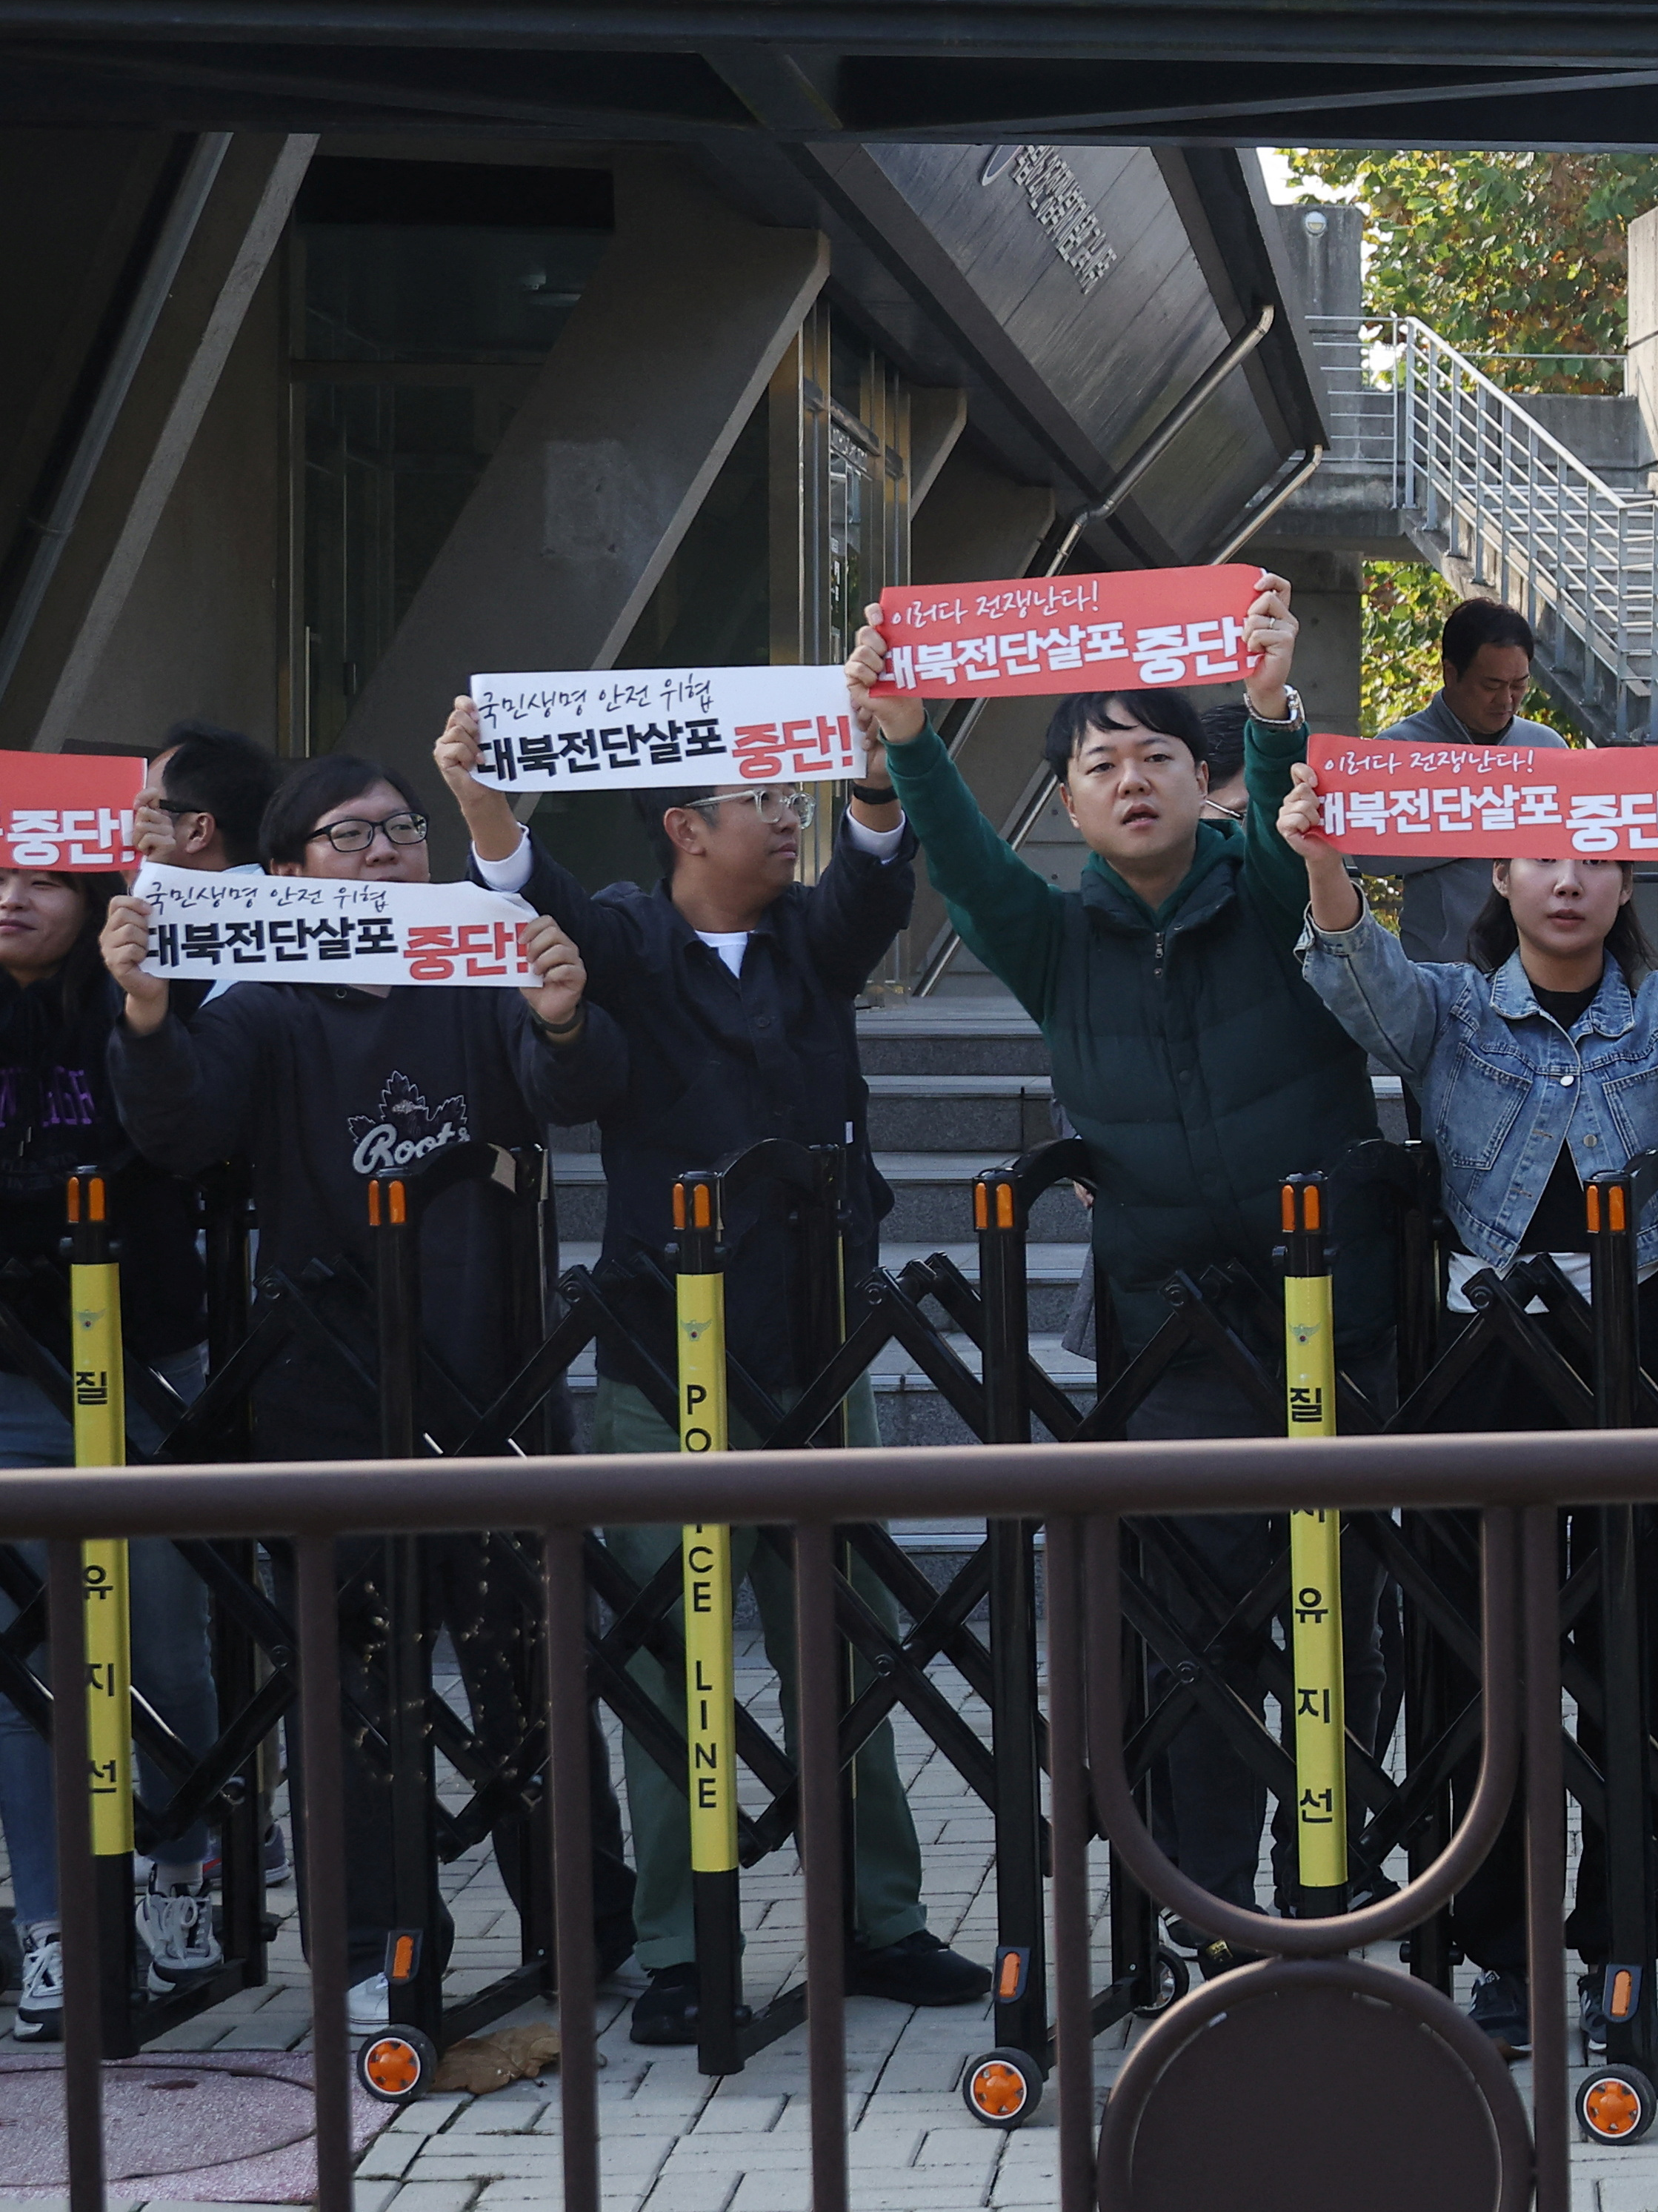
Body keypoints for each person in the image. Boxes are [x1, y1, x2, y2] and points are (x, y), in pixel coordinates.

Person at [431, 698, 989, 2046]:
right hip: (658, 1358)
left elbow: (872, 875)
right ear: (687, 828)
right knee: (672, 1655)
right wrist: (476, 793)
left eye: (791, 798)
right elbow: (532, 894)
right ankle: (690, 1948)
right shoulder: (623, 936)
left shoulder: (809, 937)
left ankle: (881, 1919)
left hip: (821, 1347)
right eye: (760, 799)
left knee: (841, 1646)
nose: (785, 815)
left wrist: (874, 777)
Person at [856, 583, 1385, 1938]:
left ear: (1201, 782)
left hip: (1346, 1323)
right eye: (1099, 764)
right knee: (1198, 1643)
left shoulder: (1269, 894)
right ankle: (1205, 1907)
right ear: (1073, 808)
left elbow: (1286, 818)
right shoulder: (1054, 942)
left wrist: (1270, 713)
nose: (1131, 779)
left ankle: (1345, 1882)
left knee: (1358, 1619)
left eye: (1157, 754)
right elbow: (966, 864)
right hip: (1174, 1341)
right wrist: (912, 744)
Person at [102, 752, 637, 2022]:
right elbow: (180, 1129)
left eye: (402, 830)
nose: (387, 852)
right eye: (350, 838)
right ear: (283, 874)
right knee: (350, 1701)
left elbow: (581, 1084)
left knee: (528, 1676)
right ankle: (370, 1953)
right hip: (328, 1403)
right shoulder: (263, 1006)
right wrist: (142, 1013)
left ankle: (583, 1927)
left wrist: (561, 1011)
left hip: (500, 1391)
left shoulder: (479, 962)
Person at [1288, 746, 1658, 2053]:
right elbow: (1354, 979)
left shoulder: (1656, 1013)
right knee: (1474, 1658)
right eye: (1543, 853)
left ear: (1623, 881)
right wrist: (1325, 856)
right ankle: (1491, 1947)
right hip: (1481, 1347)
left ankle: (1628, 1947)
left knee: (1647, 1655)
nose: (1568, 878)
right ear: (1497, 869)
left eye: (1596, 857)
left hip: (1640, 1345)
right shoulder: (1448, 1007)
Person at [0, 865, 217, 2038]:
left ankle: (183, 1876)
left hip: (142, 1361)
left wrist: (144, 1006)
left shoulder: (146, 992)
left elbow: (183, 1137)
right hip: (10, 1375)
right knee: (25, 1666)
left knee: (168, 1642)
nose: (11, 896)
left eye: (39, 876)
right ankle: (53, 1927)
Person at [1369, 598, 1568, 962]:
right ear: (1451, 673)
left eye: (1519, 685)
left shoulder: (1548, 747)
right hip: (1442, 971)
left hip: (1541, 967)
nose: (1507, 700)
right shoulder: (1399, 750)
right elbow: (1372, 856)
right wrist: (1489, 818)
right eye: (1491, 685)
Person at [130, 723, 277, 880]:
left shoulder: (160, 903)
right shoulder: (290, 898)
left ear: (197, 832)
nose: (133, 822)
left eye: (148, 808)